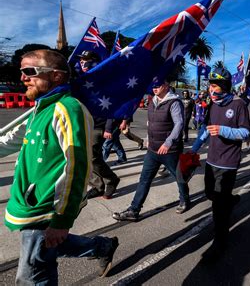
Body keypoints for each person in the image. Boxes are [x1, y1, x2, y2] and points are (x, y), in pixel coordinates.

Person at [5, 49, 118, 284]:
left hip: (45, 208)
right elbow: (10, 141)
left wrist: (62, 220)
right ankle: (102, 246)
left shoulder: (68, 108)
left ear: (56, 76)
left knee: (31, 277)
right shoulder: (40, 109)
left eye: (29, 71)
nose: (23, 78)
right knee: (50, 247)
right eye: (22, 72)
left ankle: (101, 246)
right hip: (29, 203)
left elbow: (78, 168)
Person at [190, 67, 250, 261]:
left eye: (215, 85)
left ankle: (220, 241)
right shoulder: (213, 104)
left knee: (218, 207)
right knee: (210, 194)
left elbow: (245, 133)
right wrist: (193, 150)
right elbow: (207, 130)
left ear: (225, 86)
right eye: (210, 85)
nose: (211, 89)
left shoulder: (238, 104)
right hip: (212, 159)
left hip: (228, 163)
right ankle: (231, 201)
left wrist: (224, 130)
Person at [113, 78, 190, 220]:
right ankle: (134, 210)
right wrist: (148, 139)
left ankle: (185, 199)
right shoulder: (152, 101)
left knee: (179, 177)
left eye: (158, 86)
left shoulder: (174, 102)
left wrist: (168, 143)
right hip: (153, 150)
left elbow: (179, 124)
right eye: (153, 86)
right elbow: (150, 123)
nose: (155, 89)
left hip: (169, 151)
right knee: (144, 179)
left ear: (166, 85)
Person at [79, 51, 121, 200]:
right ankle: (98, 185)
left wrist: (109, 127)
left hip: (99, 125)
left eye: (87, 60)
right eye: (81, 61)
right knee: (82, 159)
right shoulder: (82, 80)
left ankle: (111, 179)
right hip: (83, 124)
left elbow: (114, 106)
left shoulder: (104, 81)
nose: (83, 63)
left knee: (93, 158)